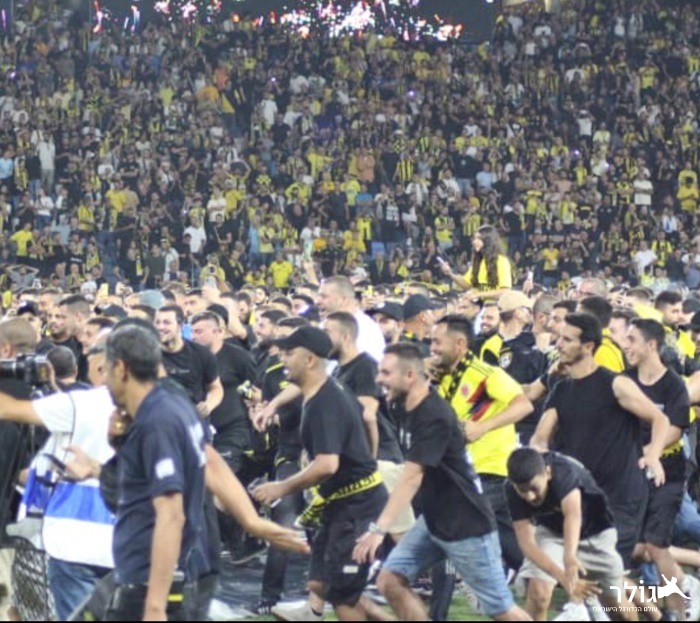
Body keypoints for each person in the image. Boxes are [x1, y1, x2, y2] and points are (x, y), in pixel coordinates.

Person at [354, 343, 530, 622]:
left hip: (467, 526)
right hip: (435, 521)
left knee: (501, 610)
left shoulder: (433, 415)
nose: (378, 379)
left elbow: (412, 477)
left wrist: (378, 529)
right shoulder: (401, 405)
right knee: (389, 581)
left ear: (409, 375)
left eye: (386, 373)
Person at [252, 326, 389, 622]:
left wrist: (281, 487)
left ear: (310, 360)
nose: (282, 359)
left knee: (343, 597)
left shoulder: (325, 403)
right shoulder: (323, 391)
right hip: (339, 504)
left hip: (357, 505)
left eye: (289, 353)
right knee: (320, 584)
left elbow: (327, 465)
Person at [531, 313, 670, 574]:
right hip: (583, 496)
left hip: (621, 496)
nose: (559, 344)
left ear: (588, 346)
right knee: (593, 578)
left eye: (567, 340)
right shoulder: (561, 389)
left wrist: (653, 455)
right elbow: (540, 436)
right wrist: (539, 455)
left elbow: (660, 419)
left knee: (609, 576)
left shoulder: (615, 384)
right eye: (559, 338)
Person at [102, 322, 210, 621]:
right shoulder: (174, 403)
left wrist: (155, 606)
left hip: (147, 583)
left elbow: (172, 514)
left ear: (121, 368)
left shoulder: (156, 422)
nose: (104, 381)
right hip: (156, 576)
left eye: (105, 370)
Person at [0, 339, 115, 620]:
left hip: (73, 541)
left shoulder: (83, 404)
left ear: (106, 367)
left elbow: (7, 409)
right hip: (129, 542)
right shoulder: (166, 405)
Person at [431, 314, 534, 573]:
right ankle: (542, 575)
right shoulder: (441, 377)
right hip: (461, 471)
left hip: (490, 470)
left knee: (451, 526)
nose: (432, 348)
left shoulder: (486, 374)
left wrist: (483, 427)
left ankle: (456, 584)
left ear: (459, 344)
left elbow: (524, 405)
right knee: (511, 545)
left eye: (437, 342)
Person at [623, 318, 700, 620]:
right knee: (636, 548)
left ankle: (676, 612)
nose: (626, 346)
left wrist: (646, 453)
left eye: (632, 340)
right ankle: (684, 588)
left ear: (651, 345)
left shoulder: (673, 385)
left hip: (667, 471)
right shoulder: (624, 381)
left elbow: (675, 428)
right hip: (630, 472)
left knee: (656, 546)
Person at [506, 448, 629, 621]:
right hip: (552, 533)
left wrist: (569, 559)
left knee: (619, 611)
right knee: (539, 593)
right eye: (522, 490)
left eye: (534, 488)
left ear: (548, 473)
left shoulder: (563, 471)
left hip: (594, 532)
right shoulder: (511, 489)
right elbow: (527, 543)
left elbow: (573, 515)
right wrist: (564, 578)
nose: (530, 497)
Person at [155, 304, 224, 417]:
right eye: (157, 322)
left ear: (180, 325)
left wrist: (209, 405)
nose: (160, 327)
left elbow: (216, 387)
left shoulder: (201, 354)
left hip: (192, 419)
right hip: (159, 420)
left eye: (166, 322)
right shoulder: (148, 354)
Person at [315, 276, 386, 362]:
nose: (317, 301)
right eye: (318, 296)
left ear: (344, 300)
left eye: (324, 297)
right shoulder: (324, 324)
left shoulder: (366, 330)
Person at [441, 225, 513, 298]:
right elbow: (466, 284)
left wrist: (477, 294)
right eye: (474, 238)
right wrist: (450, 273)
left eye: (479, 239)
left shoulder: (501, 260)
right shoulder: (478, 260)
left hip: (493, 303)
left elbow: (505, 291)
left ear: (488, 241)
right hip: (478, 302)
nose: (474, 242)